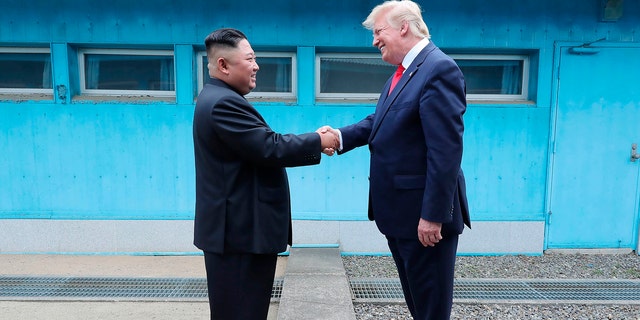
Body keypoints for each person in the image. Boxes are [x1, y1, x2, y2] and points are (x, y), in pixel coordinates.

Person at [322, 1, 471, 319]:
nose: (375, 40)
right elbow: (381, 120)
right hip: (401, 216)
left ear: (404, 26)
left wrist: (433, 216)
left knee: (430, 309)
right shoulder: (404, 73)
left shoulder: (438, 69)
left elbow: (445, 151)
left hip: (423, 220)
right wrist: (340, 136)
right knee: (418, 305)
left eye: (378, 31)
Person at [192, 28, 339, 320]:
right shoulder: (223, 103)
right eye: (249, 59)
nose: (256, 65)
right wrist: (318, 141)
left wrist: (313, 139)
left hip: (238, 234)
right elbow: (268, 147)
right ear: (223, 65)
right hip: (239, 237)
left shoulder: (218, 97)